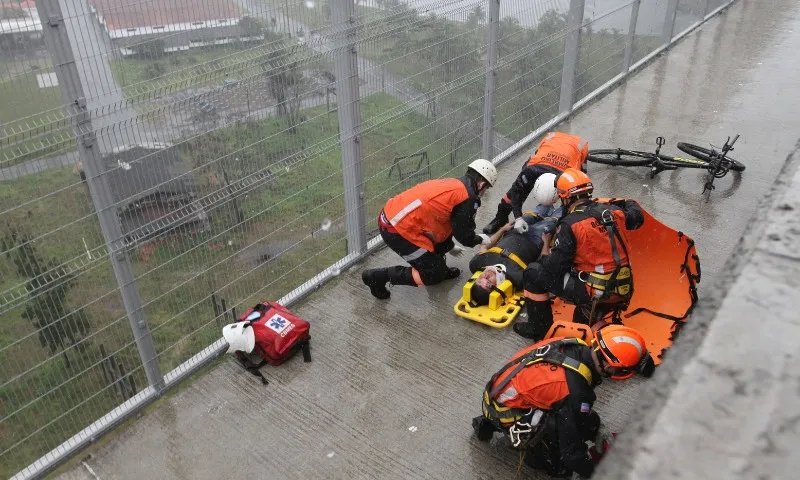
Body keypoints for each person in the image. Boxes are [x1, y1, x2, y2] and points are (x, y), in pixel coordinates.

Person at [473, 325, 652, 478]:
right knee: (561, 465)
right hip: (503, 410)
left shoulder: (576, 345)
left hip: (499, 390)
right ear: (610, 367)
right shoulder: (574, 391)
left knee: (579, 417)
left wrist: (594, 427)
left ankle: (494, 423)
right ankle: (528, 449)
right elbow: (572, 456)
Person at [514, 168, 645, 340]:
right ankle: (596, 319)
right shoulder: (614, 212)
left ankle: (538, 328)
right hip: (624, 288)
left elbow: (554, 267)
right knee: (581, 318)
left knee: (533, 272)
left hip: (595, 292)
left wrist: (546, 247)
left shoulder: (571, 224)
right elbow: (637, 216)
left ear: (567, 197)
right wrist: (625, 202)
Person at [361, 159, 498, 299]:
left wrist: (449, 246)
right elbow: (464, 234)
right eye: (486, 188)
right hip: (397, 230)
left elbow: (446, 223)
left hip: (393, 217)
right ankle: (377, 277)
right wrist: (479, 239)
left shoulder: (455, 185)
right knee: (433, 273)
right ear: (481, 184)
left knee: (439, 247)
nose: (485, 191)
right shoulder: (467, 198)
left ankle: (440, 268)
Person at [467, 174, 563, 305]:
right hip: (536, 239)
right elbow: (540, 265)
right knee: (556, 218)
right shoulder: (518, 279)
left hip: (513, 232)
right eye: (488, 282)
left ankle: (553, 192)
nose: (486, 275)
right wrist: (546, 243)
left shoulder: (477, 264)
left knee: (537, 211)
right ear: (496, 289)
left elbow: (485, 246)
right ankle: (566, 198)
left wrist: (502, 229)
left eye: (481, 278)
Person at [483, 131, 589, 235]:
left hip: (576, 147)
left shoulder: (569, 177)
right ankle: (500, 219)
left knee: (573, 197)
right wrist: (518, 217)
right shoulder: (530, 171)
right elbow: (516, 192)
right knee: (514, 193)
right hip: (550, 143)